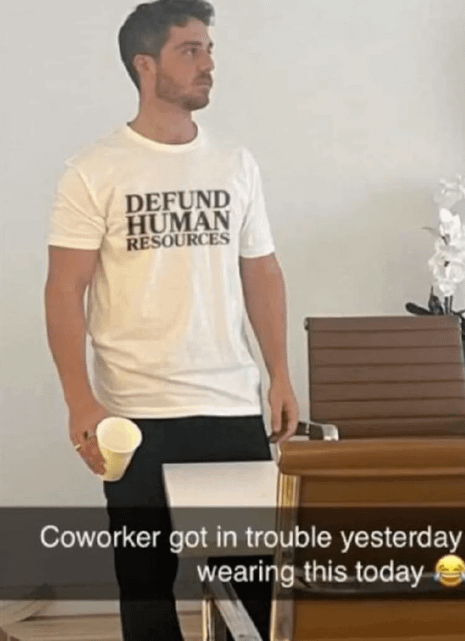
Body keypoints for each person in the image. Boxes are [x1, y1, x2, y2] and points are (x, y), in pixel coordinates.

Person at [44, 1, 299, 639]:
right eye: (190, 50)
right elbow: (65, 288)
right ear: (145, 64)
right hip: (135, 410)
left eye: (209, 49)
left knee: (254, 585)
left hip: (229, 402)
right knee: (145, 581)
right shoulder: (94, 169)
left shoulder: (235, 163)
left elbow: (261, 271)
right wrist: (80, 401)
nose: (208, 64)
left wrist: (280, 374)